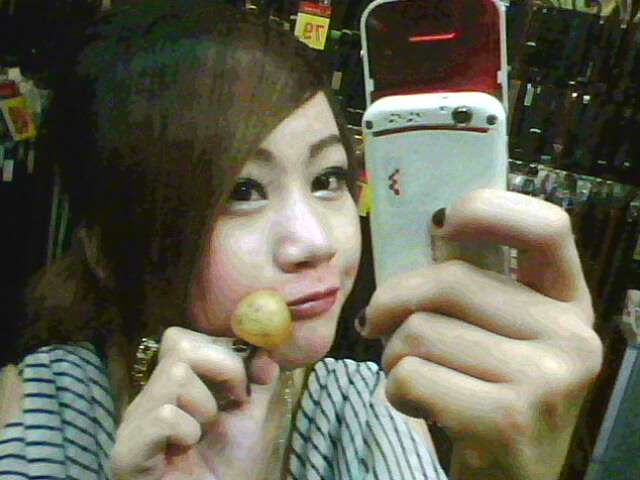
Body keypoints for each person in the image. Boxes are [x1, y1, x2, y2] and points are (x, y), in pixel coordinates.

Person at [0, 1, 603, 479]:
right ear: (107, 248)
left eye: (327, 179)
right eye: (242, 191)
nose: (318, 243)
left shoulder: (377, 411)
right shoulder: (25, 419)